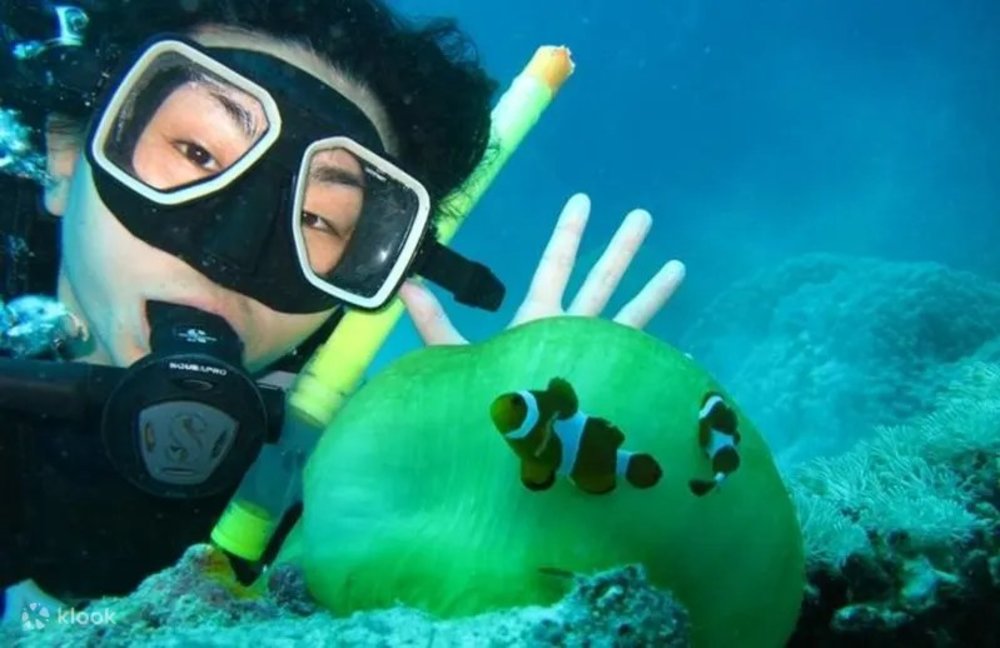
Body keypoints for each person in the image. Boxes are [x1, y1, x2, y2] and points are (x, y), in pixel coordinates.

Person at [0, 0, 686, 615]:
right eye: (196, 151)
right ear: (64, 153)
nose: (233, 253)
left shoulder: (328, 482)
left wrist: (492, 501)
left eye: (319, 220)